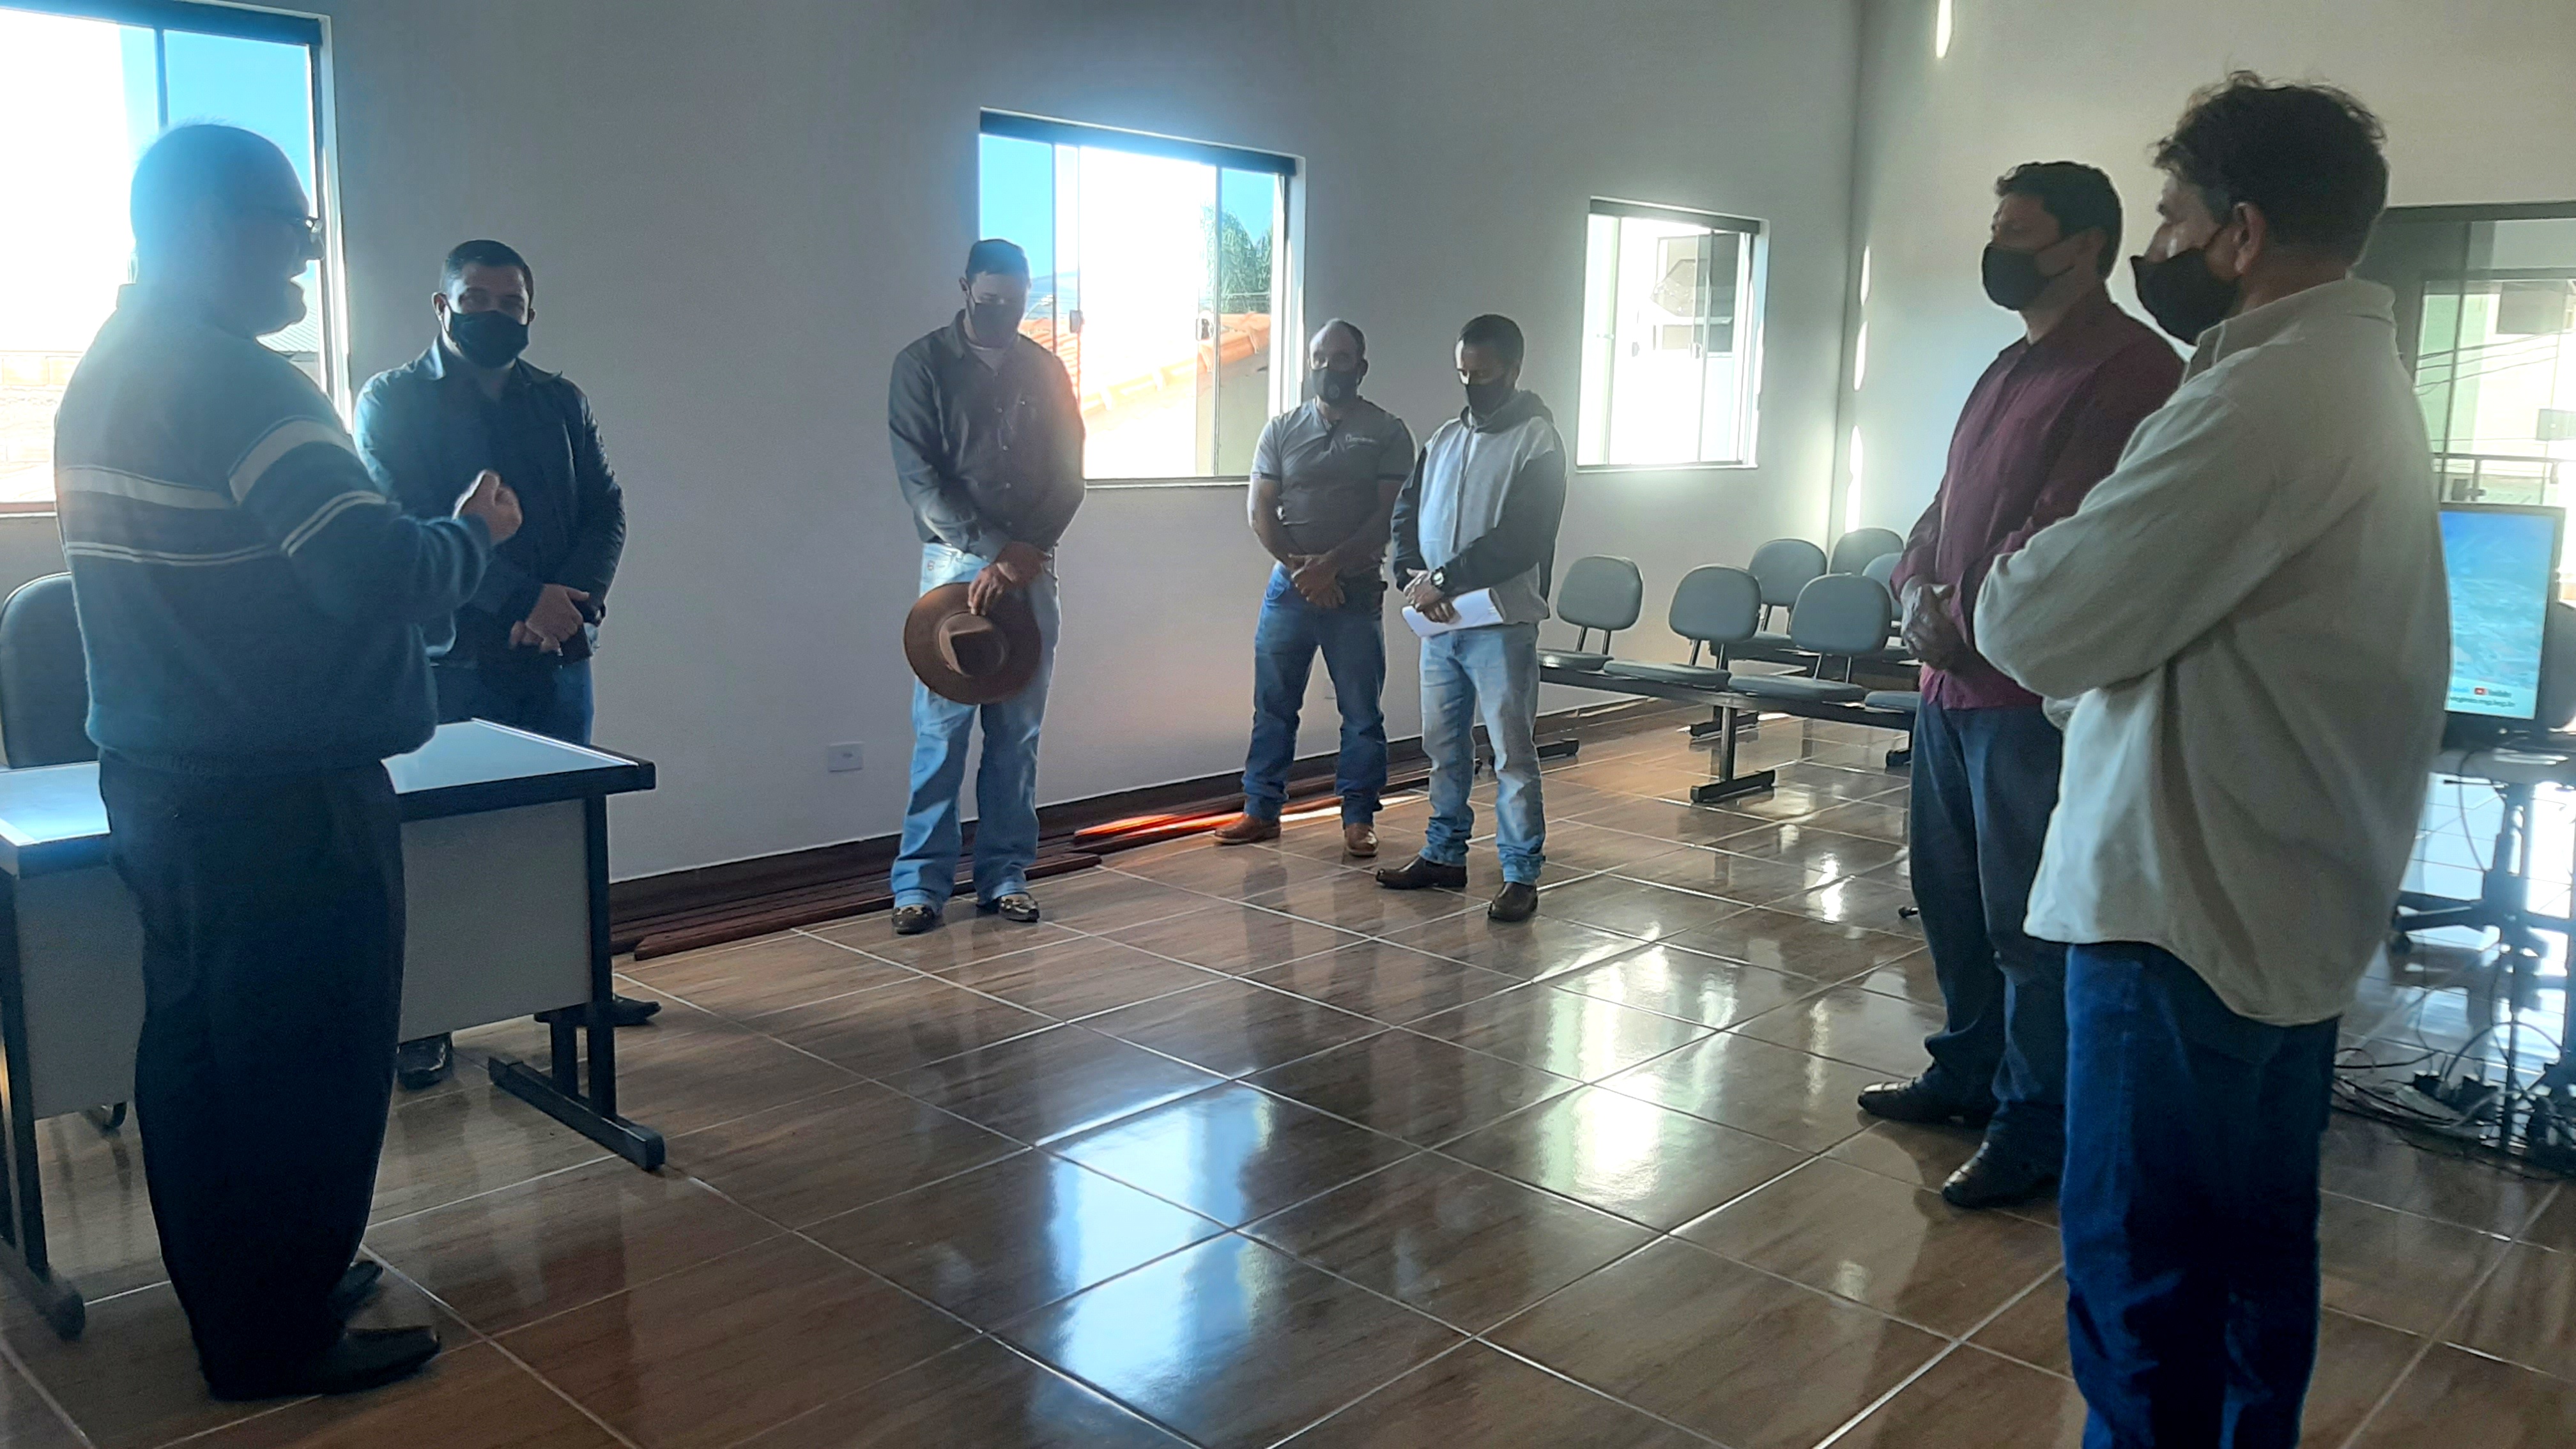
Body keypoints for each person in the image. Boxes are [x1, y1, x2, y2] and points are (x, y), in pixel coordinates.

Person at [1977, 76, 2446, 1448]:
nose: (2160, 243)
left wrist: (2019, 575)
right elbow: (2156, 629)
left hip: (2182, 912)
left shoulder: (2258, 396)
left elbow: (2038, 619)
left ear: (2239, 234)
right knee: (2249, 1275)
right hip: (2274, 904)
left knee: (2147, 1296)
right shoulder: (2348, 377)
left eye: (2174, 215)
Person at [52, 125, 519, 1397]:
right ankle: (279, 1334)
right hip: (282, 790)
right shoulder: (242, 382)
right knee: (310, 1060)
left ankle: (243, 1294)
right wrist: (472, 533)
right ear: (215, 227)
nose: (307, 259)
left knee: (202, 1054)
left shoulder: (108, 366)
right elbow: (375, 569)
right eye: (293, 230)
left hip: (160, 778)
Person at [1862, 162, 2182, 1210]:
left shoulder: (2131, 368)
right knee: (1950, 899)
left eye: (2017, 232)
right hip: (1946, 690)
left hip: (2024, 698)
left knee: (2026, 922)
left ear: (2082, 246)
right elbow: (1945, 502)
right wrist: (1912, 586)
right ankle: (1965, 1069)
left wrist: (1955, 617)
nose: (1996, 248)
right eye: (1995, 228)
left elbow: (2065, 530)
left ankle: (2035, 1122)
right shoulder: (2009, 364)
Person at [357, 240, 643, 1091]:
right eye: (474, 299)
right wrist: (521, 601)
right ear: (442, 307)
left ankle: (576, 996)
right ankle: (425, 1022)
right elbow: (407, 523)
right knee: (439, 843)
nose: (493, 314)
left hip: (559, 653)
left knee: (565, 830)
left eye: (509, 302)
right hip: (452, 661)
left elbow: (606, 509)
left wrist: (569, 603)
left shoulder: (560, 400)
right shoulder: (391, 401)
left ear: (530, 311)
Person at [885, 239, 1084, 935]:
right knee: (941, 735)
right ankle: (920, 884)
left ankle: (1005, 875)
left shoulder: (1046, 369)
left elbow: (1070, 474)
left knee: (1016, 735)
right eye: (991, 299)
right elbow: (921, 482)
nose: (1003, 311)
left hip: (1032, 565)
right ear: (965, 288)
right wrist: (999, 552)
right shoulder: (921, 365)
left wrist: (1024, 554)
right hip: (954, 566)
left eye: (1015, 301)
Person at [1376, 314, 1566, 923]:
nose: (1471, 385)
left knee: (1511, 753)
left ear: (1514, 370)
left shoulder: (1537, 441)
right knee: (1442, 746)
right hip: (1440, 625)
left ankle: (1520, 873)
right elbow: (1407, 513)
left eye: (1483, 375)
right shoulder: (1443, 439)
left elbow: (1523, 536)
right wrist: (1413, 576)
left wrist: (1446, 579)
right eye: (1463, 373)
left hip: (1500, 624)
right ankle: (1444, 854)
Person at [1213, 319, 1414, 859]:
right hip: (1289, 589)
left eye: (1340, 359)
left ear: (1361, 367)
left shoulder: (1388, 432)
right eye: (1319, 359)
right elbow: (1260, 509)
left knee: (1361, 713)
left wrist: (1331, 567)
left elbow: (1389, 515)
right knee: (1273, 706)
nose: (1328, 369)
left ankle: (1359, 818)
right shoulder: (1281, 429)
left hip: (1355, 590)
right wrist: (1301, 568)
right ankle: (1261, 810)